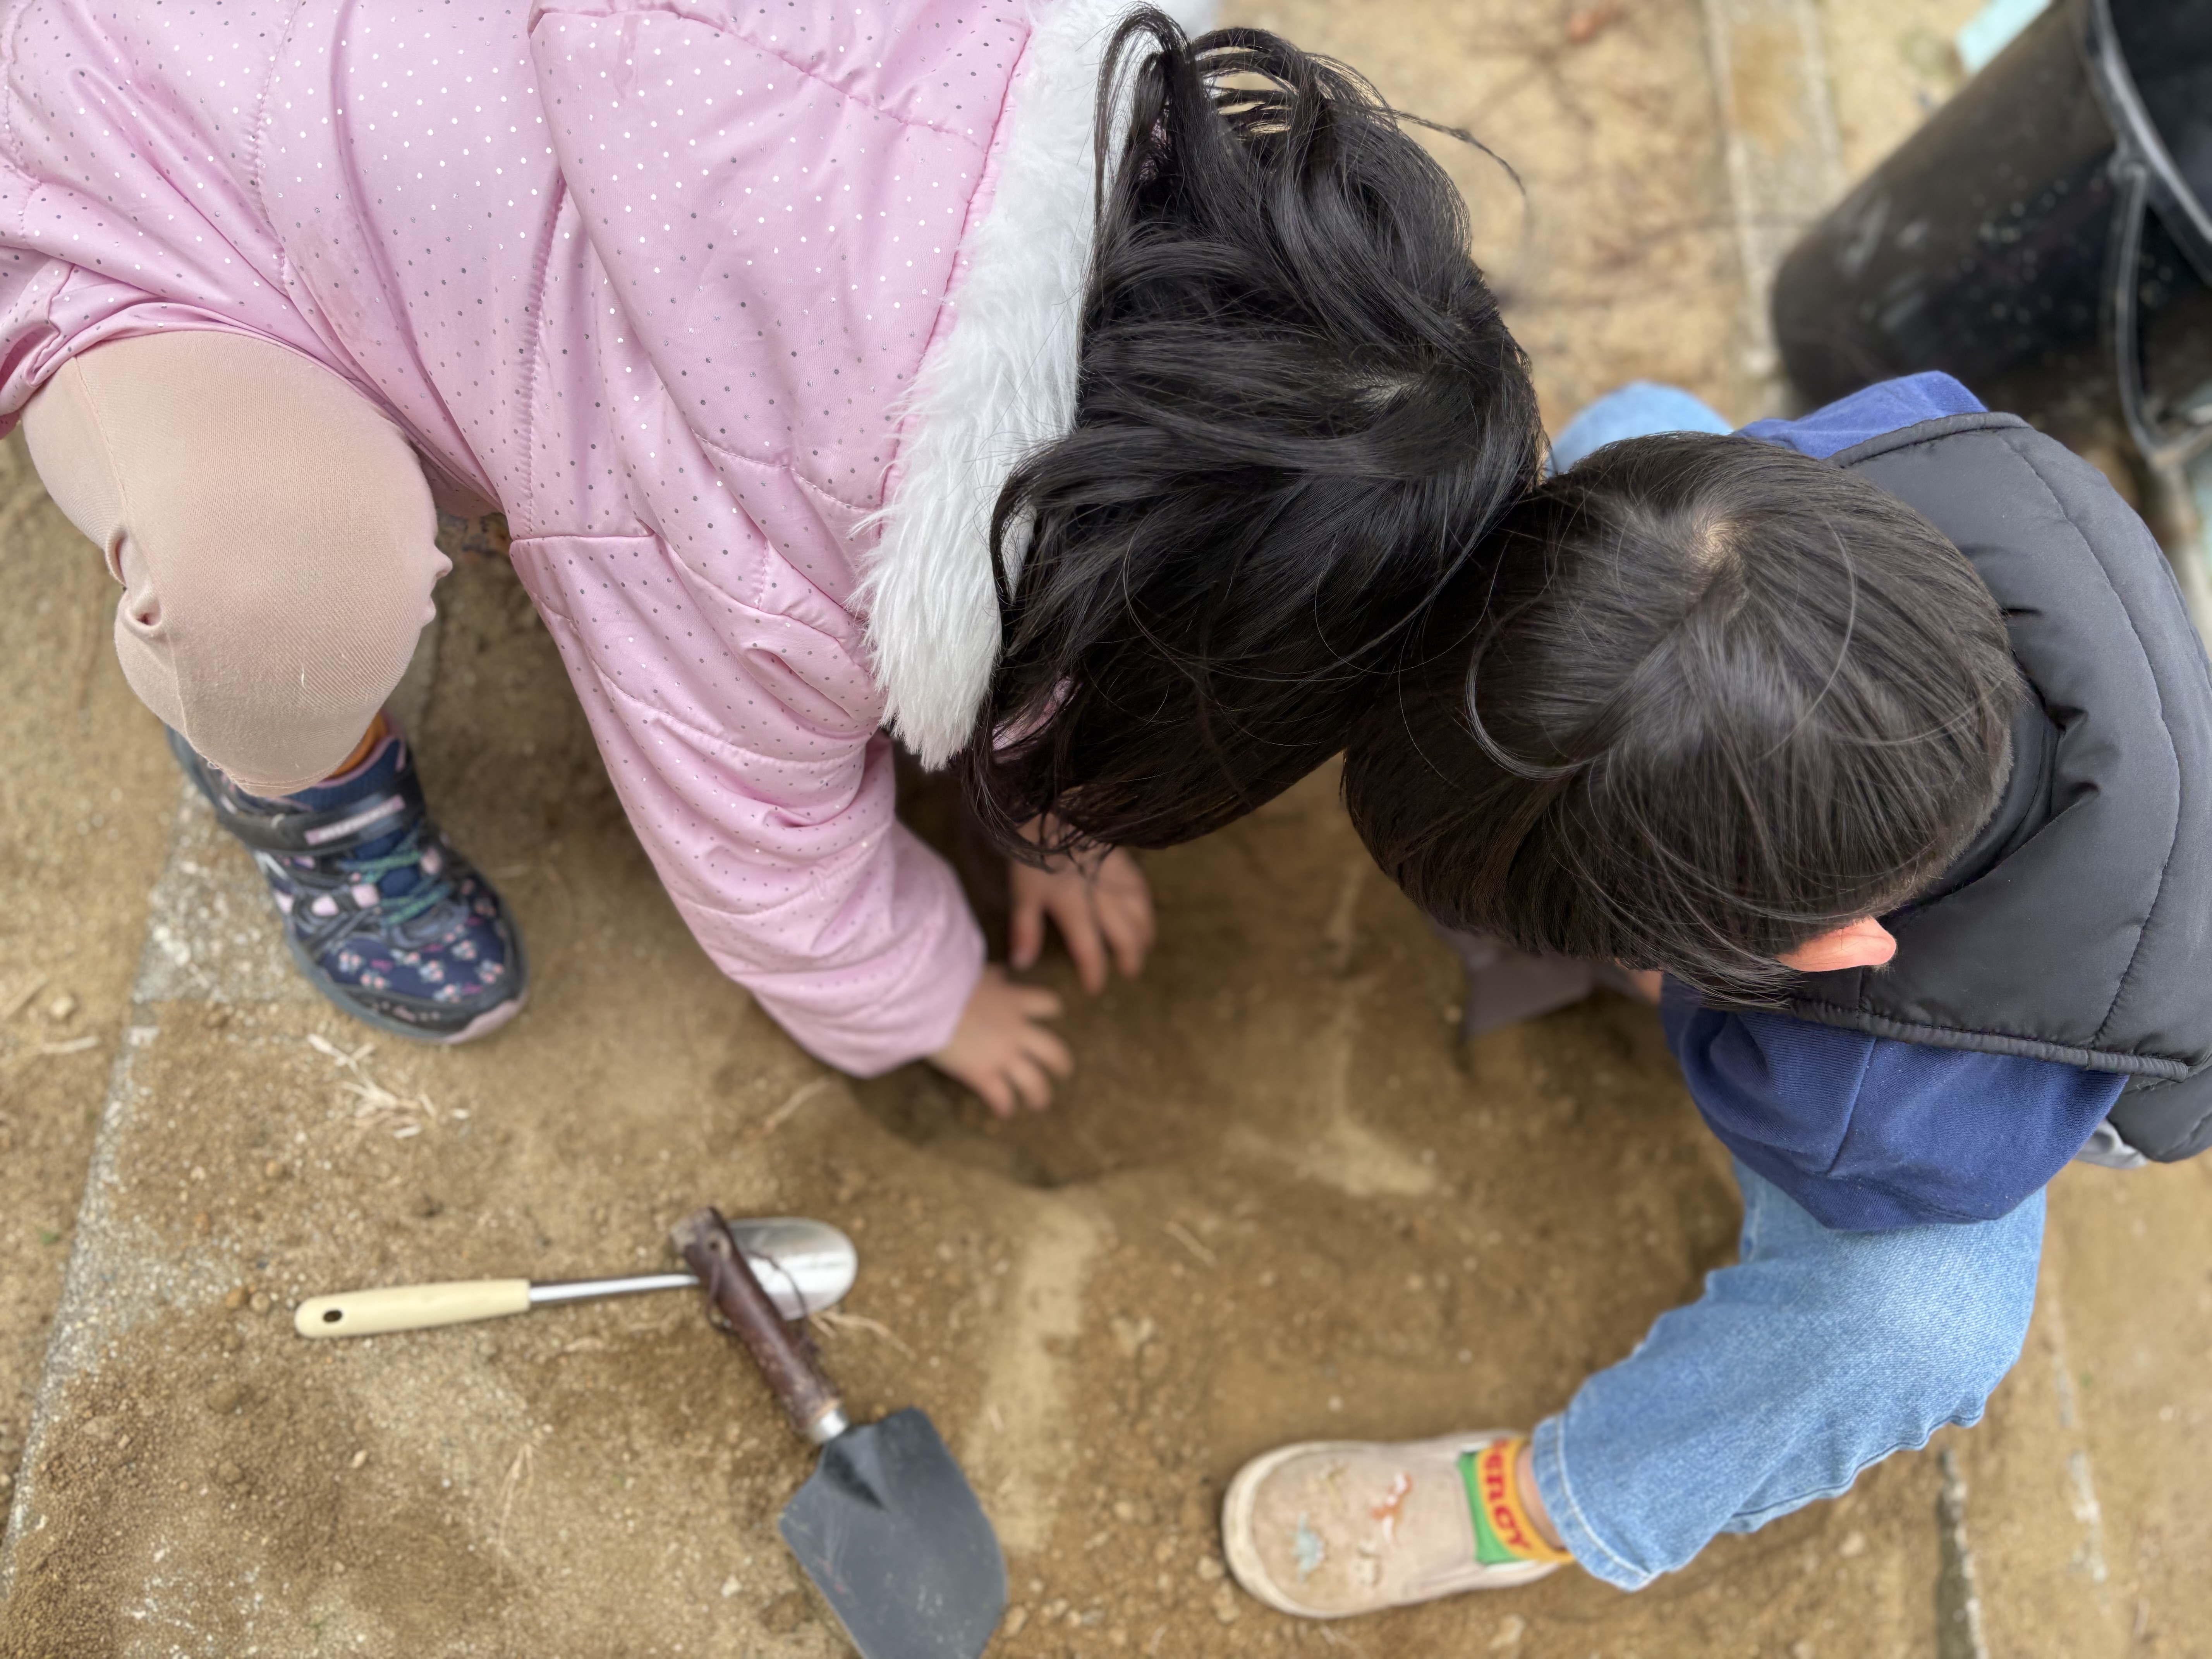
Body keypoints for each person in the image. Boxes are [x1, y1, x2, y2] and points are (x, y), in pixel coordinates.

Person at [0, 2, 1540, 1106]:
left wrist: (1042, 806)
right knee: (286, 584)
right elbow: (759, 850)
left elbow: (1098, 498)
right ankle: (309, 781)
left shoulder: (1006, 70)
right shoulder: (745, 563)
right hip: (111, 173)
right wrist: (928, 996)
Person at [1219, 372, 2212, 1612]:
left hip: (2049, 1058)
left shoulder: (1864, 1102)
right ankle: (1567, 908)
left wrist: (1675, 969)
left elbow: (1763, 1055)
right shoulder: (1911, 437)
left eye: (1655, 945)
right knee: (1629, 431)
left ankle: (1550, 1500)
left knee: (1913, 1321)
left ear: (1802, 958)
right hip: (2051, 839)